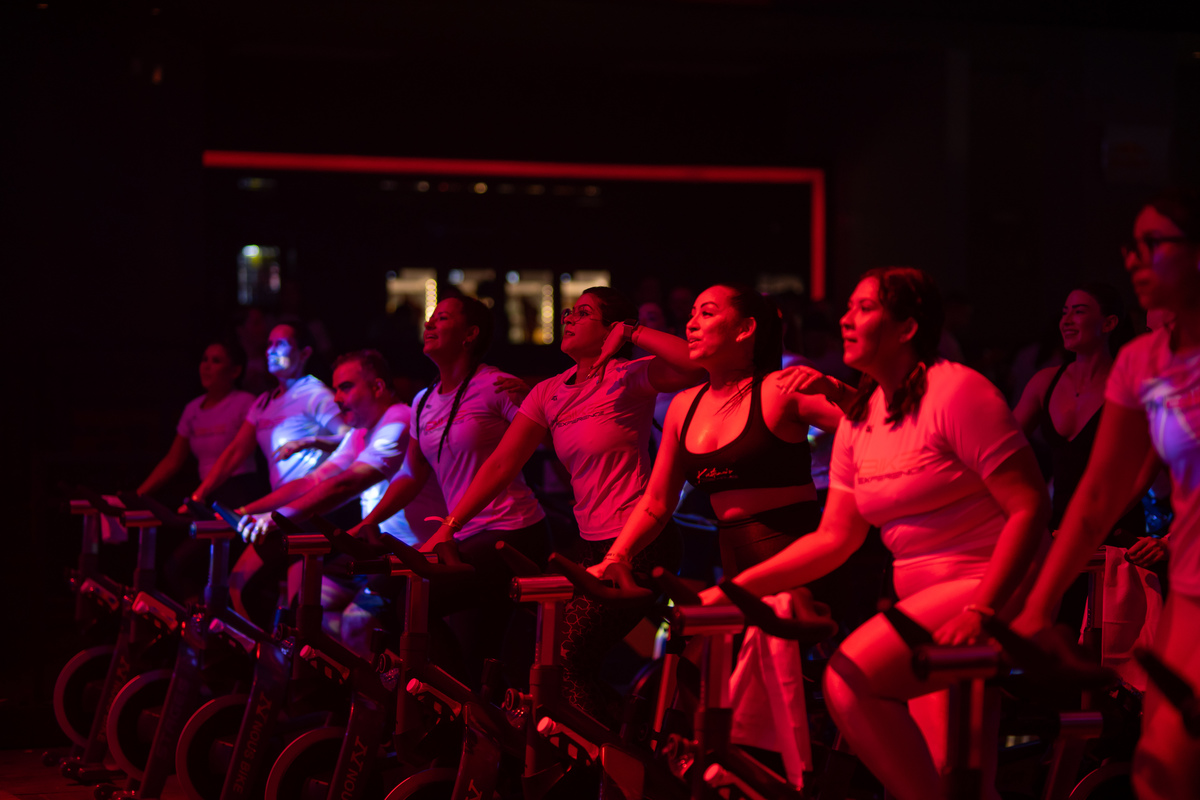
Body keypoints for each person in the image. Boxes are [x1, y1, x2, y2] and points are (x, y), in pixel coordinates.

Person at [703, 267, 1050, 800]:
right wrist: (736, 590)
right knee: (955, 776)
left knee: (850, 677)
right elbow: (834, 538)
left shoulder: (957, 390)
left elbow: (1030, 506)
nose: (845, 319)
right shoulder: (862, 420)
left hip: (991, 585)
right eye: (848, 307)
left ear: (908, 328)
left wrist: (983, 609)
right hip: (923, 603)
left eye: (864, 308)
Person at [421, 286, 704, 721]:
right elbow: (501, 464)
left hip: (642, 541)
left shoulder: (628, 376)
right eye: (570, 311)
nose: (569, 317)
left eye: (583, 312)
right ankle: (622, 733)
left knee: (566, 659)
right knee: (552, 661)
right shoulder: (548, 391)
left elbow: (698, 363)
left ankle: (610, 751)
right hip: (593, 546)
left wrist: (632, 332)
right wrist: (449, 525)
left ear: (610, 329)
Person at [1012, 188, 1200, 800]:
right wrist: (1039, 604)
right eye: (1131, 246)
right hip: (1189, 587)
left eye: (1154, 244)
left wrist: (1167, 535)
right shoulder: (1142, 361)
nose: (1134, 259)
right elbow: (1099, 492)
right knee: (1161, 762)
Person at [346, 296, 546, 682]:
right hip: (464, 537)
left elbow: (546, 435)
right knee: (471, 653)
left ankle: (450, 702)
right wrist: (369, 522)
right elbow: (411, 474)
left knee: (413, 603)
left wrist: (534, 396)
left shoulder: (495, 386)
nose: (429, 324)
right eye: (430, 318)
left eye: (442, 318)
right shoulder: (422, 402)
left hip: (511, 531)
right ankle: (461, 704)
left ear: (470, 334)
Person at [588, 284, 842, 584]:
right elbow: (657, 500)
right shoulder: (684, 406)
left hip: (797, 561)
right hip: (732, 561)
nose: (691, 324)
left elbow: (867, 427)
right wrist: (616, 557)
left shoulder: (779, 390)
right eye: (692, 314)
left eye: (707, 313)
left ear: (745, 329)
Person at [235, 349, 438, 653]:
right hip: (374, 551)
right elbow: (313, 480)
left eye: (345, 387)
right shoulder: (359, 433)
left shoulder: (399, 419)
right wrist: (248, 511)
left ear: (377, 387)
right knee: (305, 611)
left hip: (410, 552)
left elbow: (347, 484)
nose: (337, 398)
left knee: (354, 622)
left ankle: (372, 683)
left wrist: (276, 519)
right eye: (336, 389)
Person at [1011, 284, 1166, 682]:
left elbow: (1143, 471)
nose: (1066, 319)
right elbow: (1000, 451)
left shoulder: (1135, 385)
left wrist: (1093, 528)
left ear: (1109, 323)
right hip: (1058, 529)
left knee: (1104, 656)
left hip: (1114, 528)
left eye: (1079, 311)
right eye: (1064, 311)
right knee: (1051, 657)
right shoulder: (1045, 382)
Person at [189, 322, 349, 625]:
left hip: (310, 511)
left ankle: (286, 652)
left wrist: (310, 440)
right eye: (269, 344)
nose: (271, 350)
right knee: (237, 588)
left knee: (295, 608)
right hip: (278, 512)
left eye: (281, 344)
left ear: (304, 353)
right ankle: (262, 650)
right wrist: (199, 495)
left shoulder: (315, 393)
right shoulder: (263, 401)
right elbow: (235, 452)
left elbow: (350, 437)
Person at [138, 339, 259, 507]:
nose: (206, 366)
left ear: (235, 371)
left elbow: (238, 451)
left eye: (216, 361)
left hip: (239, 490)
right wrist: (139, 495)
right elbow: (172, 460)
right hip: (206, 492)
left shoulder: (246, 402)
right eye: (204, 359)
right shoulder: (192, 409)